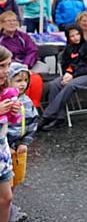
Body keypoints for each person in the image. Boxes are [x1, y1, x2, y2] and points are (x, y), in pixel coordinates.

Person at [39, 24, 87, 131]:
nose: (75, 37)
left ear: (81, 34)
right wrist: (68, 73)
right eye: (72, 36)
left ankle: (47, 116)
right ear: (68, 37)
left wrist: (72, 74)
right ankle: (59, 118)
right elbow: (65, 65)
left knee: (70, 85)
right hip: (71, 75)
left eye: (77, 34)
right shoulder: (68, 49)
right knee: (54, 84)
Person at [6, 64, 36, 222]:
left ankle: (10, 206)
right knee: (5, 180)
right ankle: (8, 210)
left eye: (25, 80)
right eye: (18, 80)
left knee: (16, 178)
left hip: (19, 147)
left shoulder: (27, 102)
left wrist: (25, 142)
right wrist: (6, 146)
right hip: (5, 146)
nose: (23, 83)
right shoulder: (5, 101)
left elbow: (32, 123)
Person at [0, 12, 46, 109]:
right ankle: (17, 106)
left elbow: (33, 50)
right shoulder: (1, 39)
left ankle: (32, 107)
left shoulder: (23, 36)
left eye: (14, 20)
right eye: (9, 21)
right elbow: (3, 57)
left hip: (26, 64)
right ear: (2, 23)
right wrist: (18, 67)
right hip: (8, 67)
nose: (12, 23)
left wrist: (26, 64)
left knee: (35, 79)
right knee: (18, 80)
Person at [0, 46, 20, 222]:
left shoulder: (5, 89)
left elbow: (11, 122)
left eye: (7, 65)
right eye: (1, 66)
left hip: (1, 153)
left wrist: (13, 112)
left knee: (7, 199)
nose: (6, 71)